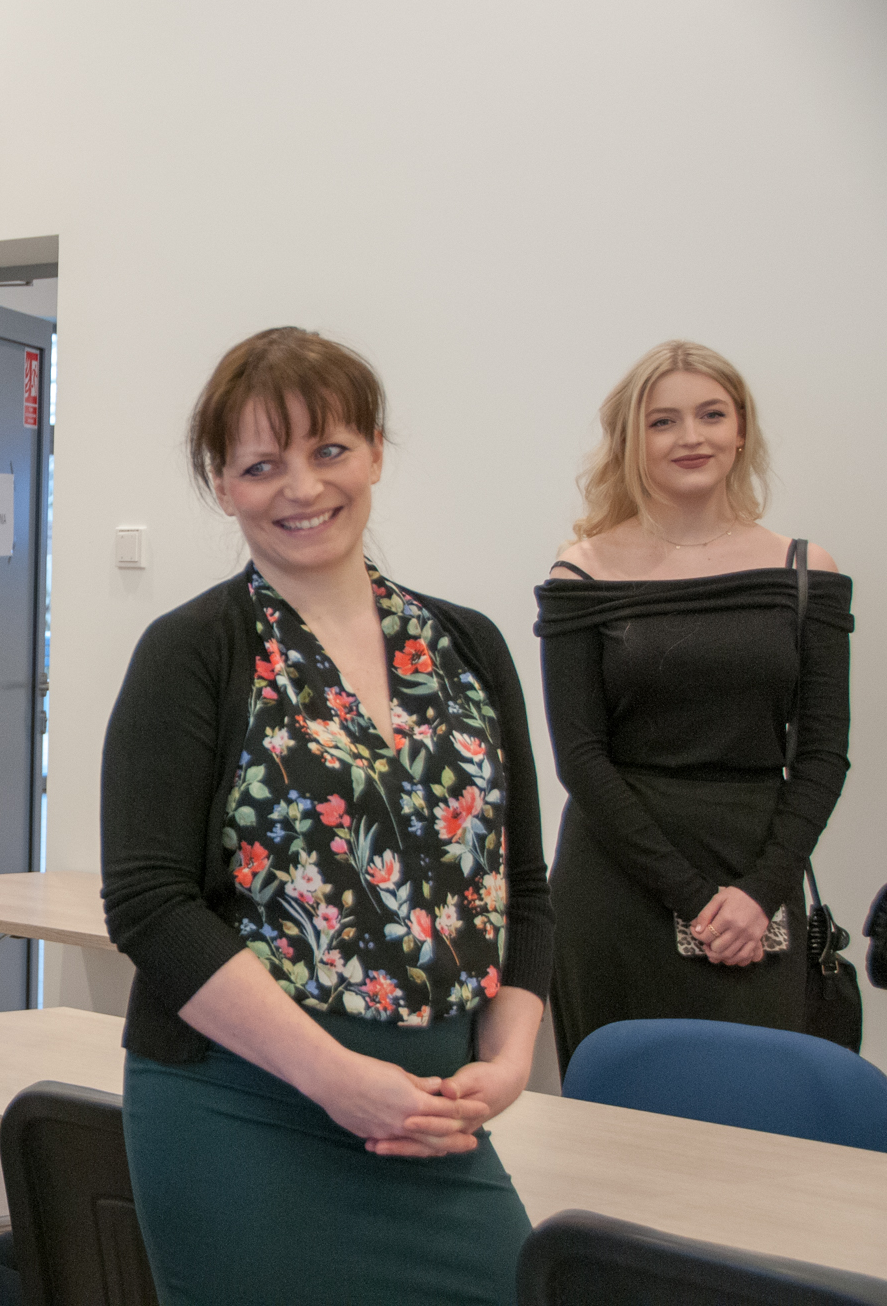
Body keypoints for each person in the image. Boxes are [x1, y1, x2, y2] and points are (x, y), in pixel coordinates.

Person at [102, 328, 554, 1305]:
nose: (300, 488)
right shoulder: (193, 651)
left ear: (375, 453)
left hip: (435, 1118)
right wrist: (336, 1078)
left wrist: (509, 1059)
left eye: (329, 449)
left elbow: (520, 883)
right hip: (242, 1112)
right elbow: (150, 906)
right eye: (261, 465)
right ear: (222, 485)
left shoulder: (466, 644)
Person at [537, 341, 852, 1070]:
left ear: (740, 430)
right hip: (617, 881)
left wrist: (757, 896)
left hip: (757, 873)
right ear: (631, 439)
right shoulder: (582, 572)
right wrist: (694, 898)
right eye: (663, 421)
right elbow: (580, 757)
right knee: (617, 1111)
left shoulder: (805, 572)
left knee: (755, 1106)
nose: (691, 437)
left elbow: (823, 754)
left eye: (712, 415)